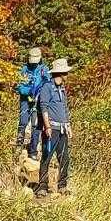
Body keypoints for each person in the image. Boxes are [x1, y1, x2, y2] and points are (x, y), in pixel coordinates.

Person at [35, 58, 73, 197]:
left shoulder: (62, 88)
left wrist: (68, 125)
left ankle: (62, 186)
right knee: (47, 156)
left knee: (64, 158)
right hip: (52, 129)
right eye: (65, 73)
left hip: (62, 128)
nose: (67, 75)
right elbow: (43, 107)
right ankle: (42, 187)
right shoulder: (47, 87)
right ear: (60, 73)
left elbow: (64, 108)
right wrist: (47, 126)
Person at [15, 47, 49, 158]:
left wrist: (40, 94)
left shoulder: (44, 70)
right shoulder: (24, 69)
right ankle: (19, 145)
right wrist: (29, 91)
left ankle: (33, 151)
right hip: (25, 99)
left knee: (36, 125)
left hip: (38, 101)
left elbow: (47, 84)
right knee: (23, 121)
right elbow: (19, 86)